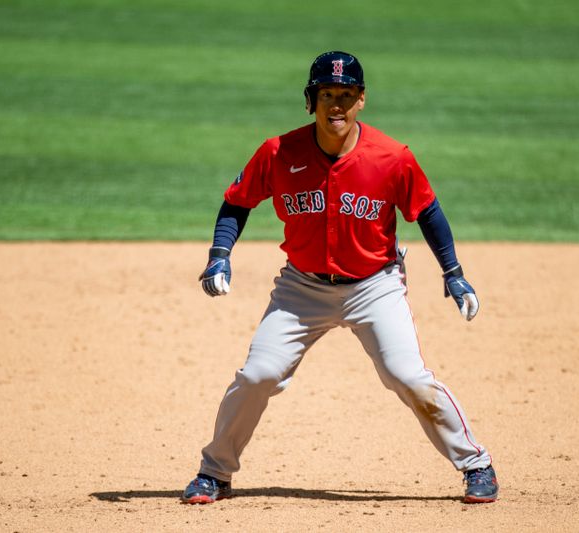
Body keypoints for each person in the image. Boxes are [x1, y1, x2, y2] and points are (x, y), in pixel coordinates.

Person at [182, 51, 498, 505]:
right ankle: (214, 473)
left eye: (346, 95)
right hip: (302, 288)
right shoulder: (278, 151)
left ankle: (476, 465)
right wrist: (219, 255)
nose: (337, 105)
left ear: (361, 100)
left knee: (406, 376)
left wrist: (454, 273)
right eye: (327, 94)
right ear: (310, 100)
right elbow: (238, 201)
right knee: (257, 375)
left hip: (375, 285)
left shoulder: (391, 157)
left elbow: (428, 211)